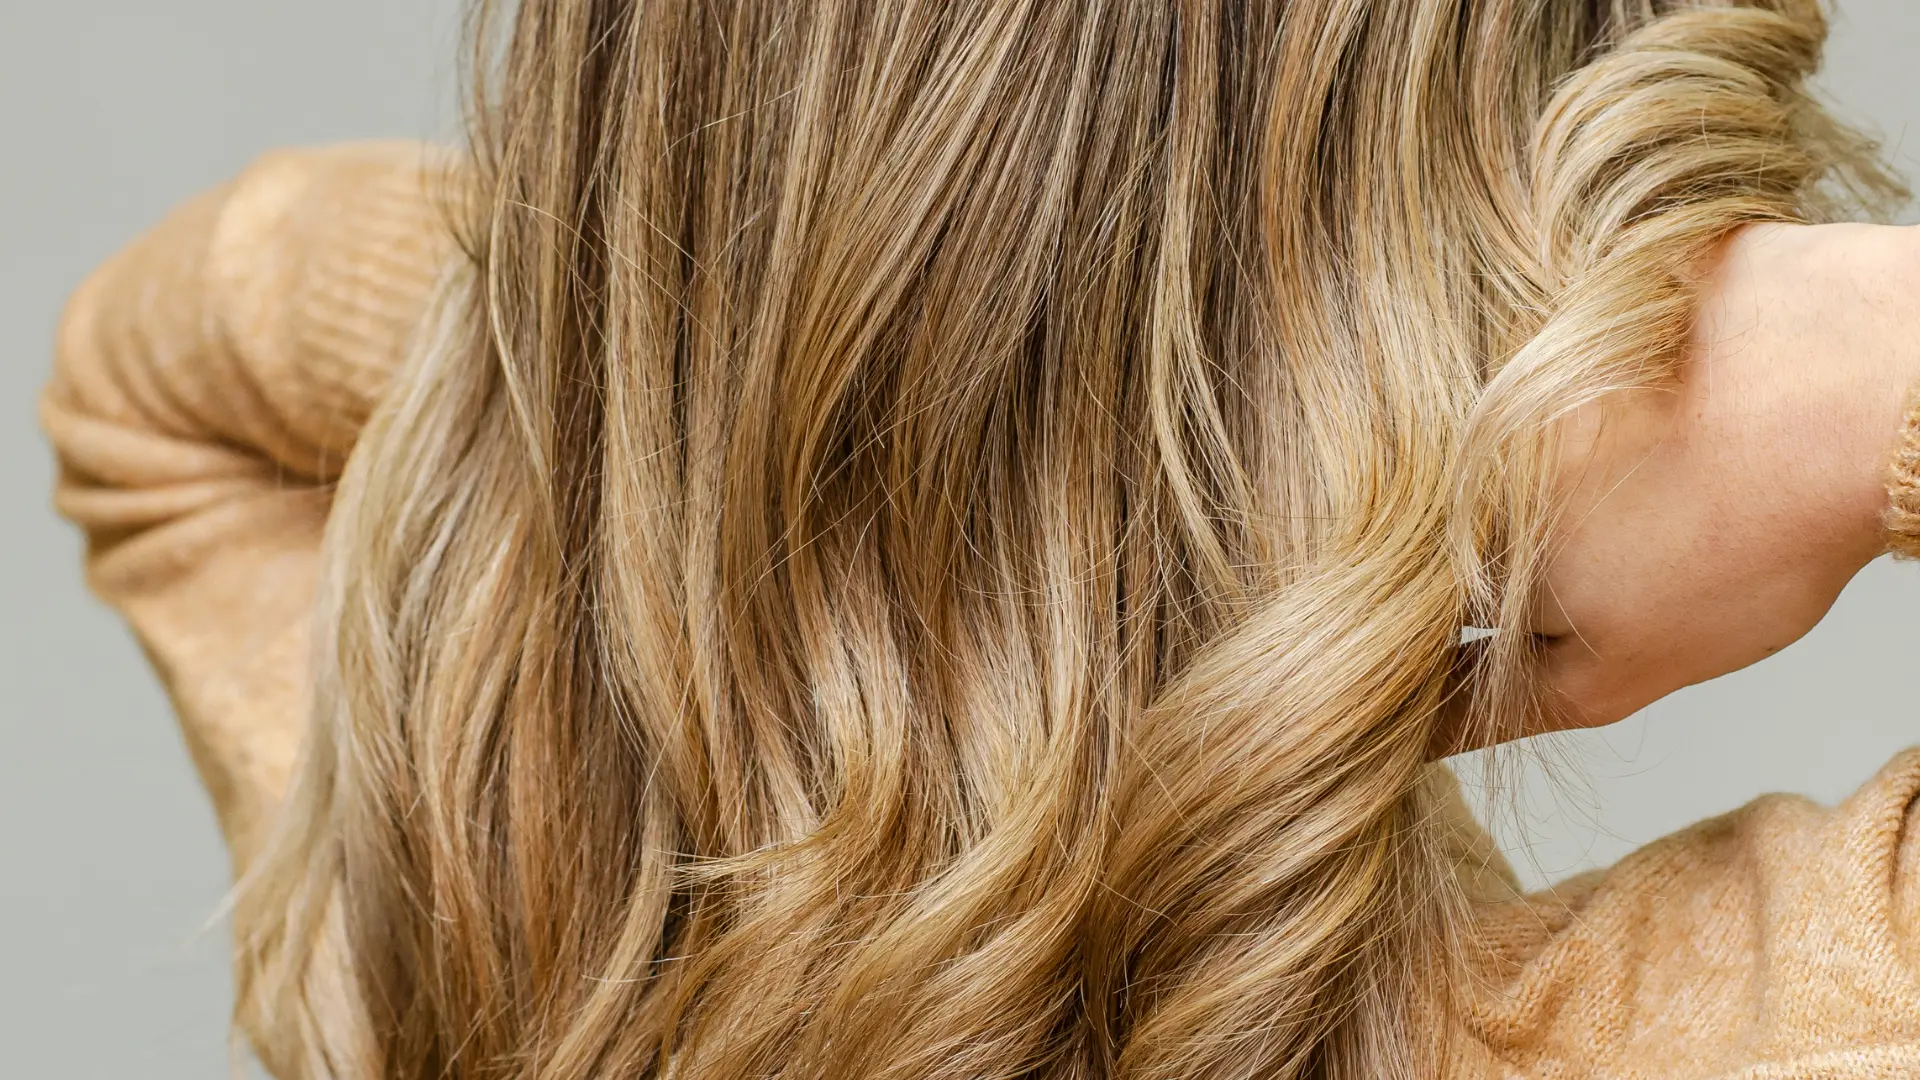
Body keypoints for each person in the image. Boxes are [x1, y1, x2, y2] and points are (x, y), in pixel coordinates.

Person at [38, 1, 1920, 1077]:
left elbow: (157, 370)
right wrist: (1842, 369)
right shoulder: (1746, 1024)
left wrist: (665, 386)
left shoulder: (493, 864)